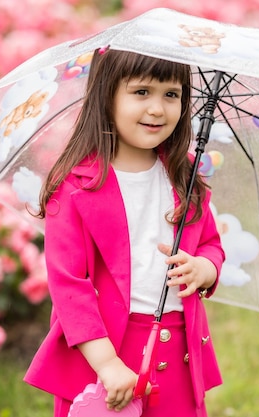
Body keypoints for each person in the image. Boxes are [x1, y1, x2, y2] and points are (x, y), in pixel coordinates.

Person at [24, 48, 225, 417]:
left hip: (178, 348)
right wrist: (107, 363)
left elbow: (211, 243)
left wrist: (205, 268)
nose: (157, 109)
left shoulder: (184, 175)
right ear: (107, 94)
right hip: (105, 351)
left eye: (171, 94)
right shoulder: (76, 185)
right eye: (141, 92)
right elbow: (70, 284)